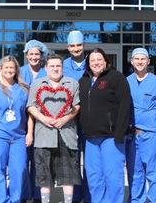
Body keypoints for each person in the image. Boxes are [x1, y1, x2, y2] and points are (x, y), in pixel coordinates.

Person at [78, 48, 132, 203]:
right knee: (94, 176)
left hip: (111, 137)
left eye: (99, 59)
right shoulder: (84, 80)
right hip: (90, 137)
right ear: (88, 63)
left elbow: (124, 106)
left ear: (106, 61)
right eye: (92, 60)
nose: (96, 63)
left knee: (112, 176)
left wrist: (120, 133)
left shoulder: (116, 78)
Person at [27, 55, 81, 203]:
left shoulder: (72, 83)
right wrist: (43, 118)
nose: (55, 69)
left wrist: (66, 118)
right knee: (44, 174)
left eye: (58, 66)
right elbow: (31, 106)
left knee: (68, 174)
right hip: (44, 136)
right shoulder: (37, 84)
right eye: (52, 66)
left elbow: (76, 106)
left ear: (62, 67)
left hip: (67, 135)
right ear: (46, 68)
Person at [0, 55, 31, 203]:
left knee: (19, 170)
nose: (9, 70)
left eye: (12, 67)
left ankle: (15, 199)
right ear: (1, 69)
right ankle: (0, 200)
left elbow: (30, 113)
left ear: (16, 70)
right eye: (6, 67)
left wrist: (30, 133)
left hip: (18, 137)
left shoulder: (23, 89)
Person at [125, 48, 156, 203]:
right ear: (131, 61)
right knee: (135, 170)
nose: (139, 62)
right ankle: (136, 199)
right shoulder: (126, 81)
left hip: (150, 134)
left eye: (142, 59)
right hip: (132, 135)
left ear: (148, 62)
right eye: (136, 59)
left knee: (154, 170)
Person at [62, 30, 90, 202]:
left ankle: (88, 194)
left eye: (78, 45)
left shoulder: (93, 62)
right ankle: (74, 195)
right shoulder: (62, 65)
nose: (76, 48)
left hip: (90, 118)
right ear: (68, 47)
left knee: (90, 160)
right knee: (72, 158)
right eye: (72, 46)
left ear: (83, 46)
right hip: (70, 119)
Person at [20, 40, 48, 202]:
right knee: (22, 162)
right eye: (31, 54)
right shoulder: (20, 72)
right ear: (26, 55)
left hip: (43, 124)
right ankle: (24, 194)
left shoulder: (47, 73)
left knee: (40, 162)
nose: (34, 57)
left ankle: (38, 196)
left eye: (37, 54)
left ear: (42, 55)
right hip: (21, 124)